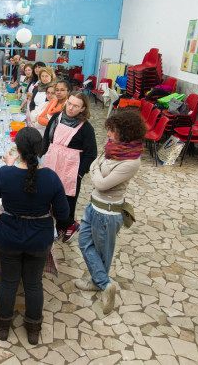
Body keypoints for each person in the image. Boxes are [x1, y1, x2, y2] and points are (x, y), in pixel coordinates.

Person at [0, 127, 71, 344]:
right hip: (39, 239)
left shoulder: (6, 173)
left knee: (8, 281)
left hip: (9, 236)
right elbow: (64, 214)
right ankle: (33, 328)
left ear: (17, 149)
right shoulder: (51, 177)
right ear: (40, 150)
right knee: (33, 283)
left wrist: (8, 167)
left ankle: (3, 325)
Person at [75, 110, 146, 314]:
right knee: (84, 242)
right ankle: (103, 282)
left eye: (113, 130)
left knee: (103, 253)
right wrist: (95, 167)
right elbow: (94, 166)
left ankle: (100, 283)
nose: (108, 134)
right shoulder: (113, 149)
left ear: (125, 133)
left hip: (107, 213)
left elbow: (101, 182)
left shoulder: (131, 161)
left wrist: (95, 169)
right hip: (93, 206)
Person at [42, 91, 97, 243]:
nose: (71, 108)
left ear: (83, 109)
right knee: (50, 195)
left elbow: (91, 154)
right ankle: (59, 225)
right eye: (69, 104)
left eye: (76, 106)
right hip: (53, 161)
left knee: (66, 199)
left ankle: (68, 225)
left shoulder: (86, 128)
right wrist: (38, 156)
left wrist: (79, 174)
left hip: (71, 168)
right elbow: (46, 140)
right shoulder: (56, 118)